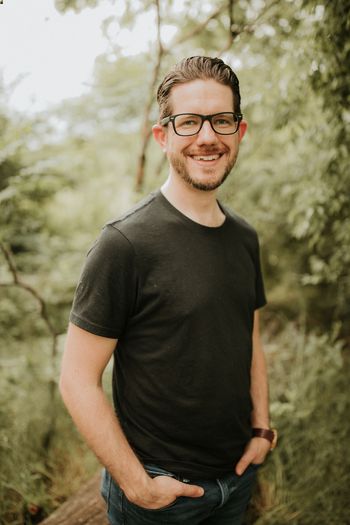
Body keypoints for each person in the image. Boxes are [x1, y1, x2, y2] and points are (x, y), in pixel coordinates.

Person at [59, 56, 276, 525]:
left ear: (240, 132)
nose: (206, 137)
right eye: (188, 122)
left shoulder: (244, 237)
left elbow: (248, 338)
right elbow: (77, 379)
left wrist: (262, 427)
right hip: (159, 495)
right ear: (162, 137)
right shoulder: (125, 244)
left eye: (221, 120)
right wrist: (139, 485)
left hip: (236, 480)